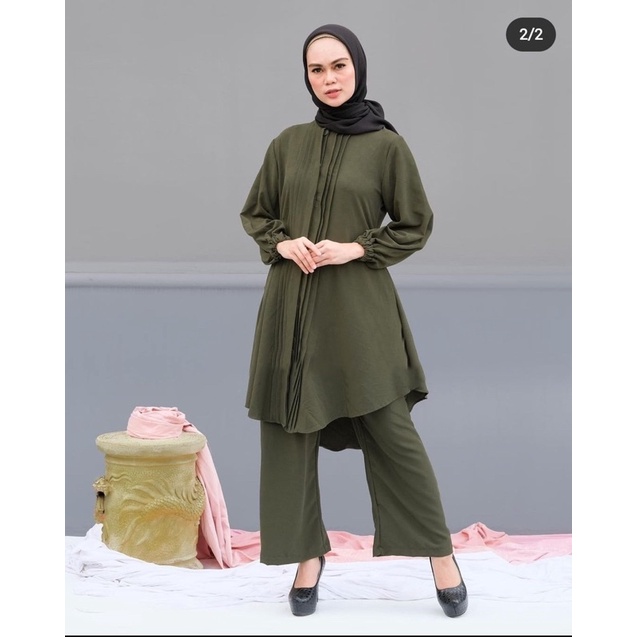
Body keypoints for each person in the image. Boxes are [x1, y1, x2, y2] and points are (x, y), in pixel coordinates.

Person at [239, 23, 468, 619]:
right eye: (317, 70)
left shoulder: (387, 147)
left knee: (390, 432)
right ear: (306, 77)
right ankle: (307, 557)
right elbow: (257, 213)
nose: (329, 79)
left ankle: (440, 553)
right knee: (288, 432)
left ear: (358, 68)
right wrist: (283, 242)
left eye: (339, 66)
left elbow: (414, 224)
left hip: (358, 310)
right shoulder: (287, 143)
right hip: (291, 309)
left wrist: (356, 247)